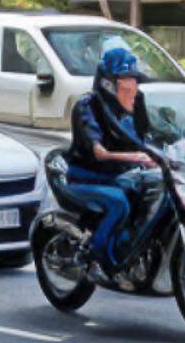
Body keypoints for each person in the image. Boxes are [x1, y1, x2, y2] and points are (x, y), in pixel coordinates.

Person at [66, 45, 159, 274]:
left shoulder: (137, 103)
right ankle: (97, 259)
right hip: (88, 177)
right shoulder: (88, 106)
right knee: (119, 202)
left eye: (134, 79)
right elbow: (99, 153)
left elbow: (150, 136)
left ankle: (134, 247)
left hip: (120, 173)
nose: (132, 85)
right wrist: (135, 157)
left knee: (152, 188)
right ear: (108, 82)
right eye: (125, 79)